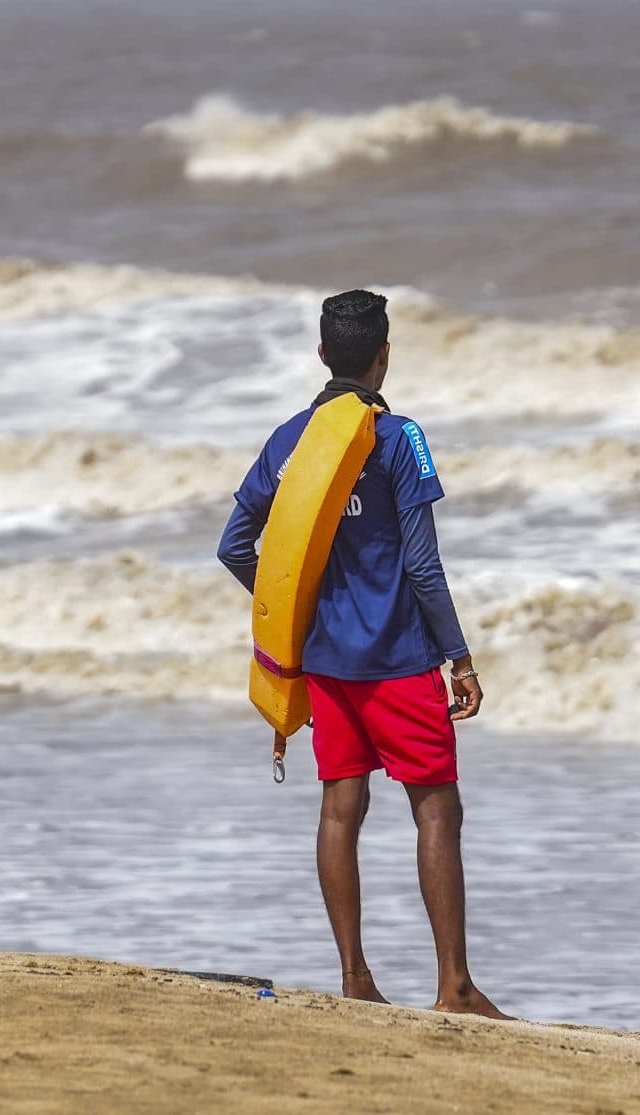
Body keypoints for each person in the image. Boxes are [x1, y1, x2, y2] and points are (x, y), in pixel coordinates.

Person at [216, 288, 507, 1018]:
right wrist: (459, 656)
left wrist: (295, 612)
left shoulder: (288, 441)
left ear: (322, 356)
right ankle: (456, 987)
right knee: (436, 810)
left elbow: (234, 544)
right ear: (384, 355)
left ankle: (355, 978)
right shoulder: (398, 436)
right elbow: (422, 565)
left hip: (327, 663)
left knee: (341, 809)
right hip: (400, 659)